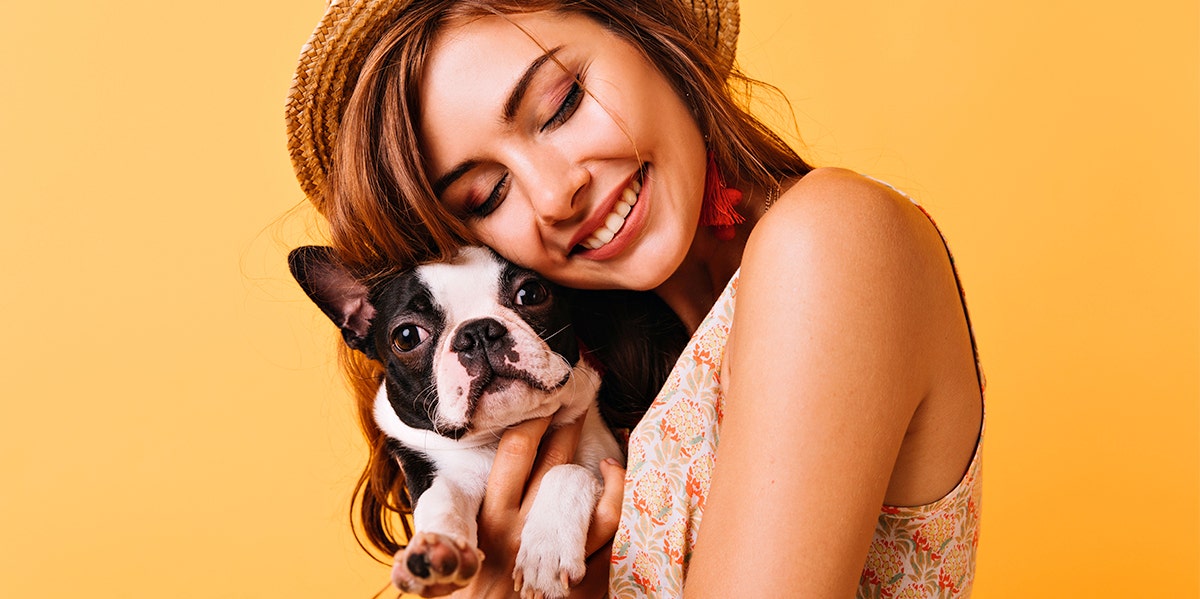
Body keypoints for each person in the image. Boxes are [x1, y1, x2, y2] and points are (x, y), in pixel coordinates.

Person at [285, 0, 985, 596]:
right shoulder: (611, 391)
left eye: (560, 105)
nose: (556, 193)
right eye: (486, 194)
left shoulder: (831, 237)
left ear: (645, 27)